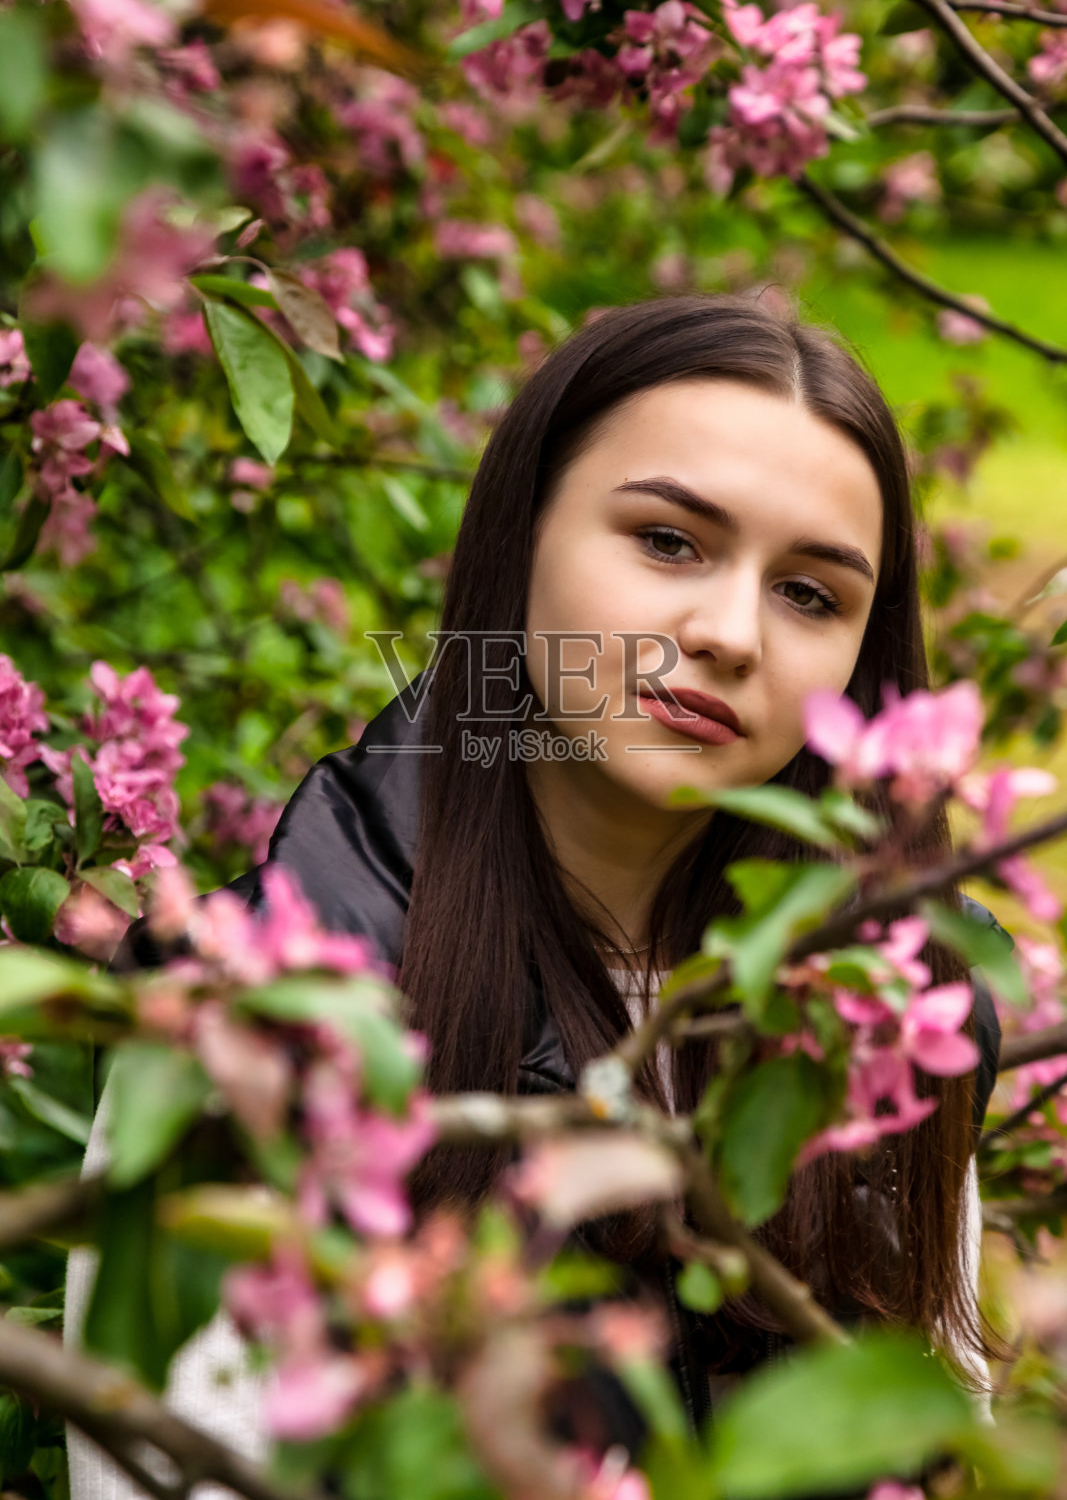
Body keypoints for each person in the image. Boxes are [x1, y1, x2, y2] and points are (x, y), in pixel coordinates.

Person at [68, 294, 1003, 1490]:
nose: (728, 633)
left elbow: (918, 1429)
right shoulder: (264, 1006)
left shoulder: (889, 1003)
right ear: (518, 545)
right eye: (668, 540)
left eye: (809, 595)